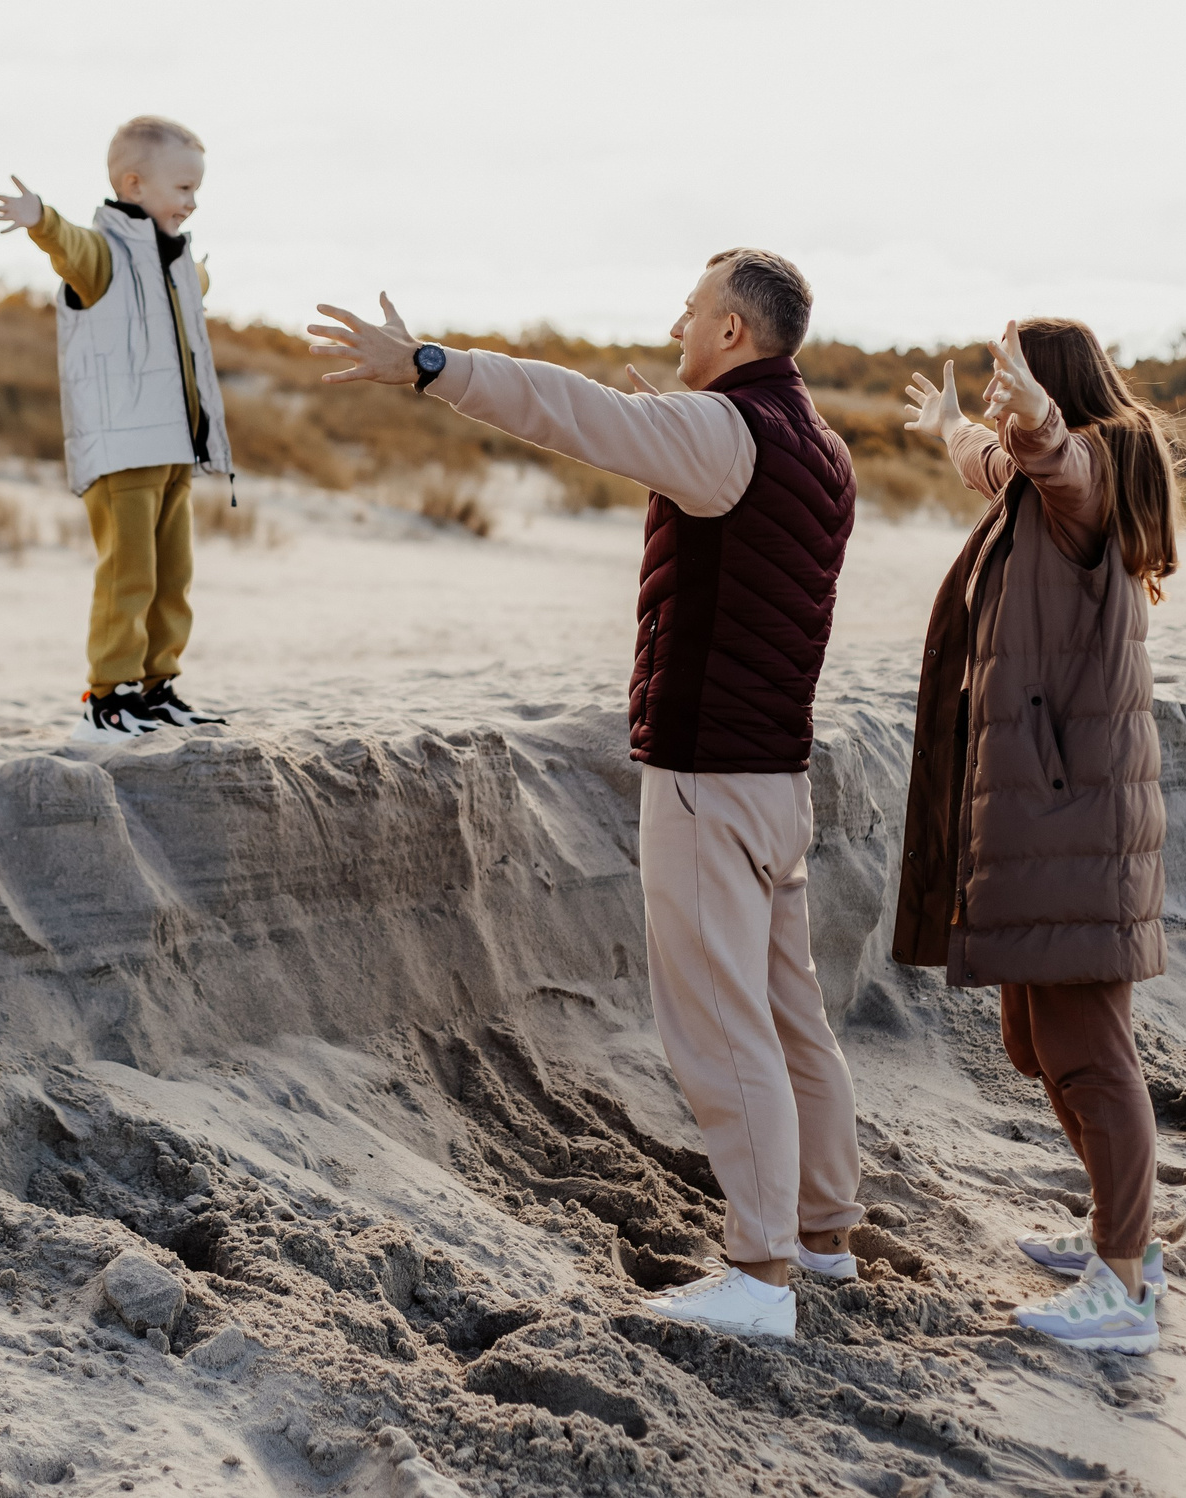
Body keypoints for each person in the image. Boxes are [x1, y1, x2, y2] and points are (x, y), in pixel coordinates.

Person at [307, 251, 863, 1340]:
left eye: (693, 310)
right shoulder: (822, 447)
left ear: (733, 332)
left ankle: (760, 1275)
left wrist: (431, 364)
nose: (677, 321)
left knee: (723, 1025)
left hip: (708, 777)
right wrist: (671, 424)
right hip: (777, 779)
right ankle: (821, 1239)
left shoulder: (724, 435)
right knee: (792, 1015)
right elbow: (728, 515)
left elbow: (570, 409)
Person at [892, 317, 1184, 1355]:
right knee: (1037, 1043)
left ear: (1053, 387)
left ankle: (1125, 1282)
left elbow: (1057, 460)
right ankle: (1120, 1232)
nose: (995, 394)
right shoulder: (1033, 490)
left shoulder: (1089, 478)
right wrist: (952, 424)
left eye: (1008, 377)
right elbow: (999, 462)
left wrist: (1035, 417)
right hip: (1048, 816)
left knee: (1089, 1054)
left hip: (1075, 820)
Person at [0, 116, 234, 737]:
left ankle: (155, 687)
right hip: (124, 454)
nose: (193, 202)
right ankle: (109, 697)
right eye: (183, 188)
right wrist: (41, 219)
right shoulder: (105, 256)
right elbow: (70, 246)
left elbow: (190, 292)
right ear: (133, 184)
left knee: (172, 579)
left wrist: (199, 274)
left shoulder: (175, 262)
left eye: (196, 190)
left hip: (174, 448)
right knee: (129, 575)